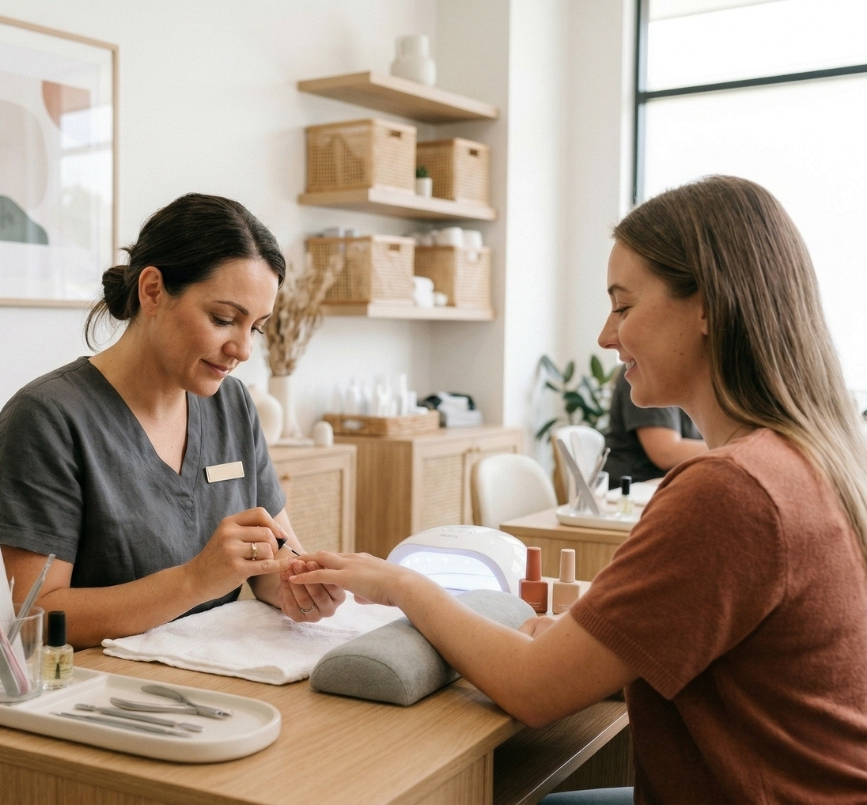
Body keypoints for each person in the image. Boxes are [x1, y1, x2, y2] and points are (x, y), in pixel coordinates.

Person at [290, 176, 867, 803]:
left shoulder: (732, 491)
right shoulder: (808, 460)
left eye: (623, 306)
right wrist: (583, 641)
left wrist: (398, 582)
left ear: (707, 306)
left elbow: (534, 690)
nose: (605, 336)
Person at [0, 193, 343, 648]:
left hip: (216, 676)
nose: (244, 350)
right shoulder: (46, 419)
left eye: (256, 327)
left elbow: (273, 563)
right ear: (152, 290)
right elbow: (27, 616)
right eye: (223, 318)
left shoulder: (232, 405)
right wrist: (193, 581)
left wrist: (301, 584)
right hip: (95, 694)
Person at [602, 365, 707, 486]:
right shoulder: (644, 369)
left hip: (663, 485)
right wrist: (728, 443)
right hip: (632, 488)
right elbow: (666, 453)